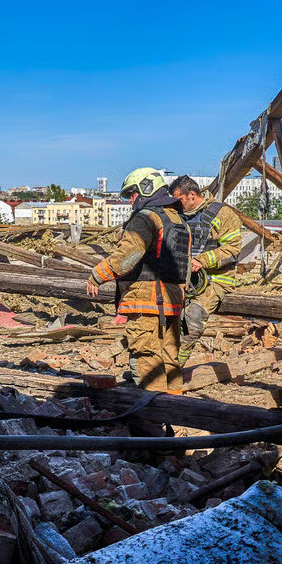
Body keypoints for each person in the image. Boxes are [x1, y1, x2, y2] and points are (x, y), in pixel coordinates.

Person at [86, 168, 191, 394]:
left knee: (147, 360)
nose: (130, 200)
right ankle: (175, 416)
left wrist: (97, 275)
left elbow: (127, 256)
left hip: (147, 301)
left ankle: (152, 422)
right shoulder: (178, 220)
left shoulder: (146, 217)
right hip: (172, 301)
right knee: (170, 359)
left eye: (132, 193)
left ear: (146, 189)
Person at [168, 175, 243, 364]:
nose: (177, 205)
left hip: (215, 281)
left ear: (192, 194)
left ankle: (174, 367)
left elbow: (232, 250)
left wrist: (201, 260)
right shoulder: (180, 217)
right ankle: (155, 365)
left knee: (192, 319)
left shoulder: (222, 214)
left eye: (179, 200)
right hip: (183, 280)